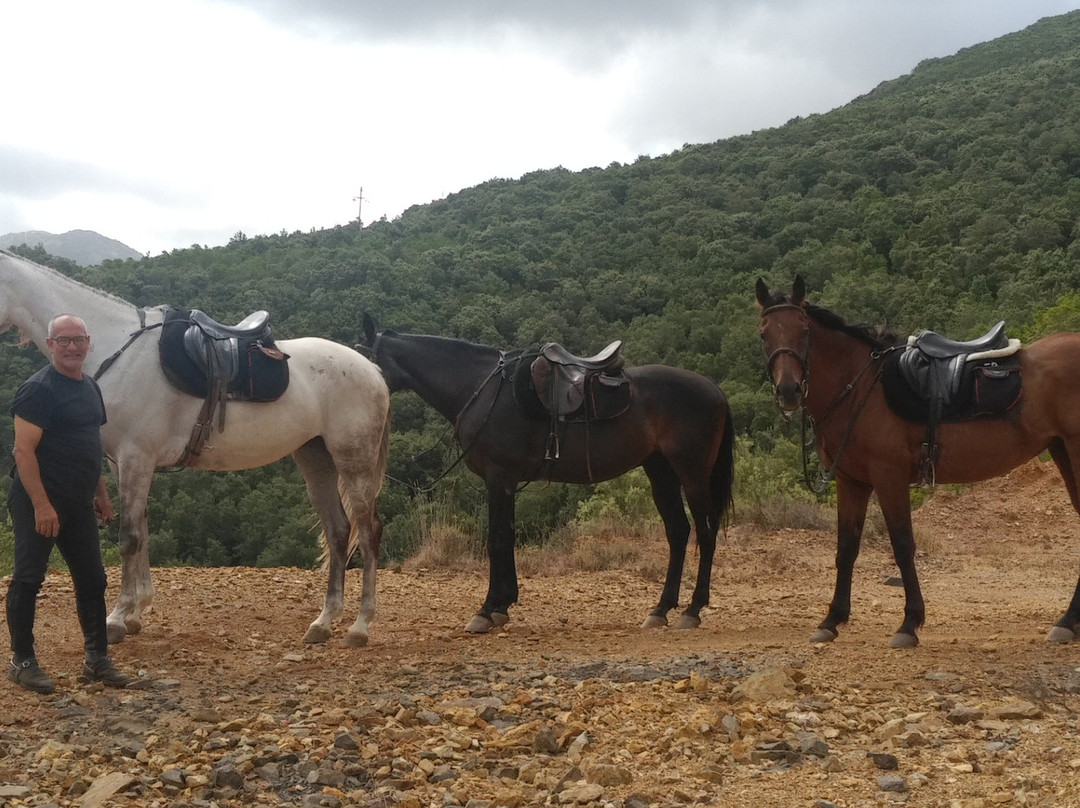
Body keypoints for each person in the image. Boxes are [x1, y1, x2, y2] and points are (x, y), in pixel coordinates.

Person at [6, 314, 130, 693]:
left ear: (88, 343)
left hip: (78, 502)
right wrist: (43, 506)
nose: (72, 347)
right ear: (50, 344)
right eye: (64, 340)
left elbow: (88, 444)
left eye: (78, 340)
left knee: (93, 578)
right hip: (38, 500)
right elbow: (23, 451)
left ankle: (96, 659)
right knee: (29, 578)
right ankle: (22, 662)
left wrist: (101, 493)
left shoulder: (90, 387)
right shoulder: (39, 390)